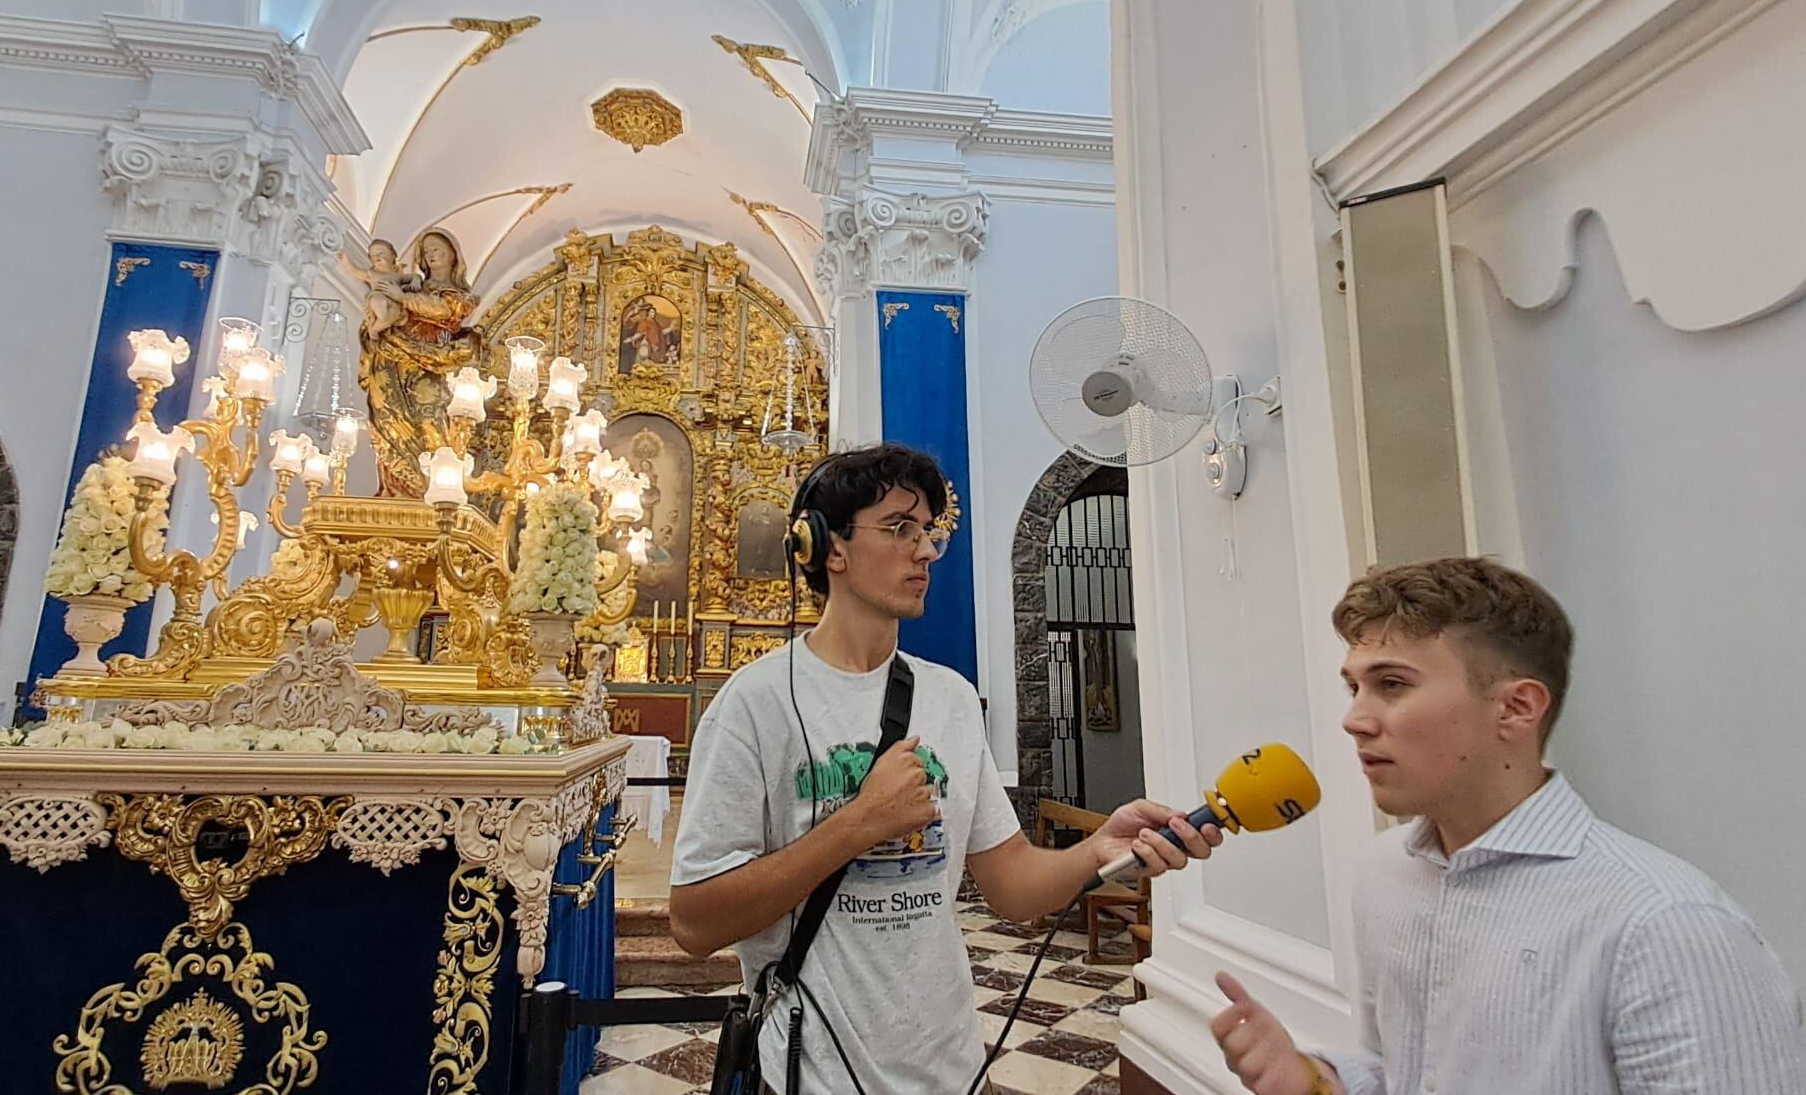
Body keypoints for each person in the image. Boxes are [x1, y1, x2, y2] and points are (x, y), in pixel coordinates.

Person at [670, 443, 1221, 1094]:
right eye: (900, 528)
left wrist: (1102, 848)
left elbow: (1012, 886)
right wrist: (857, 825)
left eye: (928, 531)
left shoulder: (952, 699)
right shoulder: (755, 704)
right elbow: (694, 922)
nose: (926, 550)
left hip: (953, 1068)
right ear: (826, 548)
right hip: (812, 1074)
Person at [1210, 557, 1806, 1095]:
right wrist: (1318, 1081)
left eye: (1392, 684)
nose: (1354, 720)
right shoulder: (1383, 874)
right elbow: (1406, 1075)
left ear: (1517, 708)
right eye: (1354, 686)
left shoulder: (1668, 925)